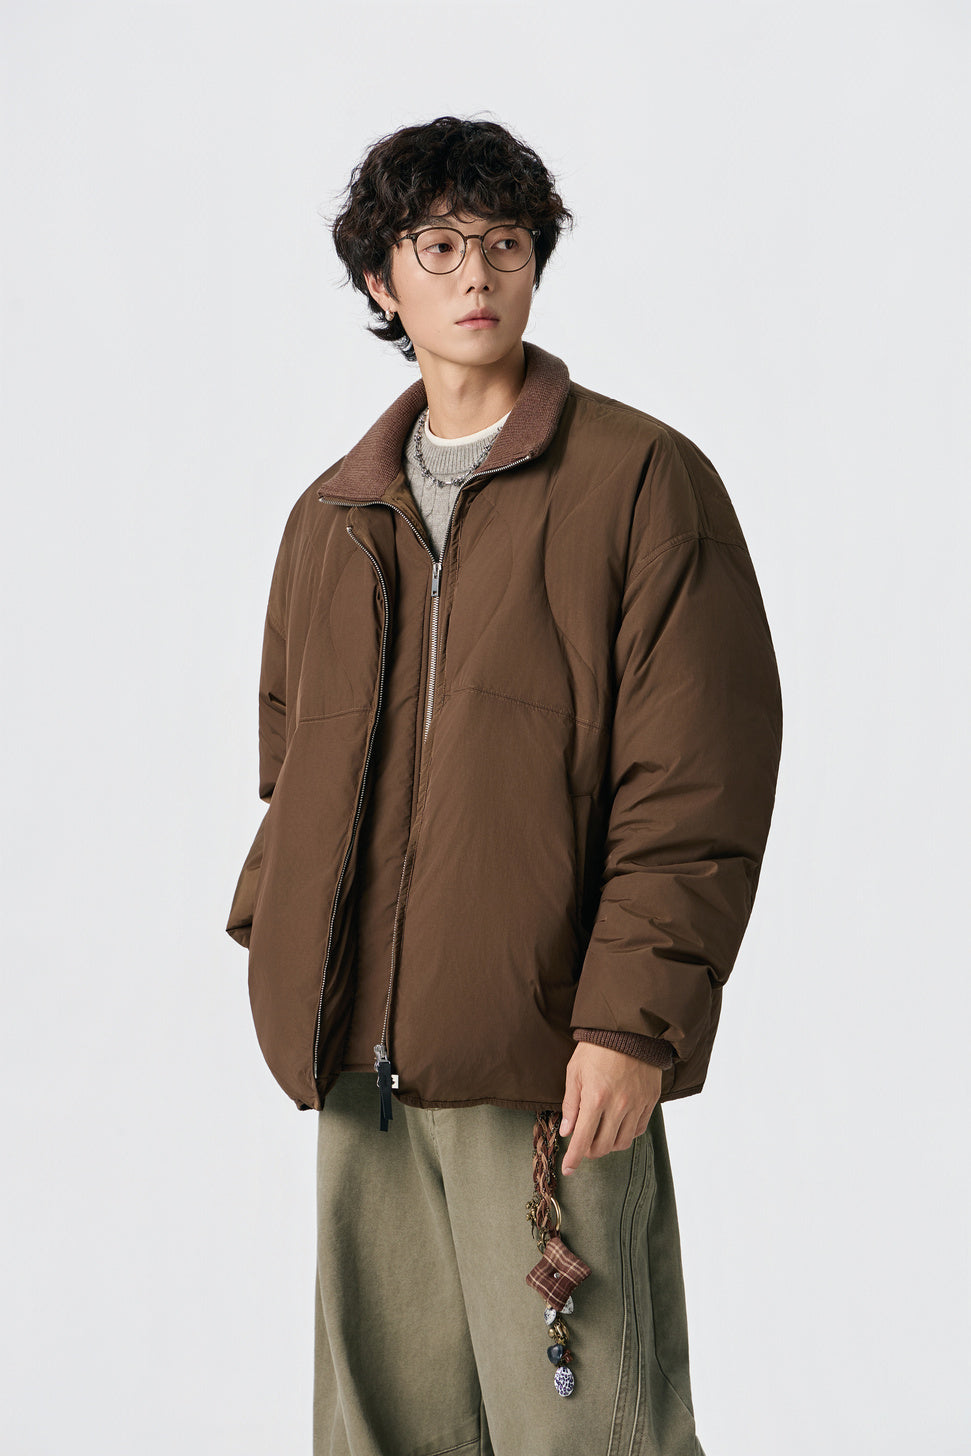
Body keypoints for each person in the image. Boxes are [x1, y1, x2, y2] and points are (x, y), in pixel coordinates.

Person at [226, 115, 783, 1456]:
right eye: (438, 246)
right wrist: (282, 952)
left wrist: (633, 1023)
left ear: (536, 264)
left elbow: (696, 783)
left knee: (591, 1431)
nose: (476, 274)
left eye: (507, 243)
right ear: (381, 281)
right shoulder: (331, 518)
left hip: (551, 1065)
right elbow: (290, 766)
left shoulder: (640, 482)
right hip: (360, 1069)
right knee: (380, 1434)